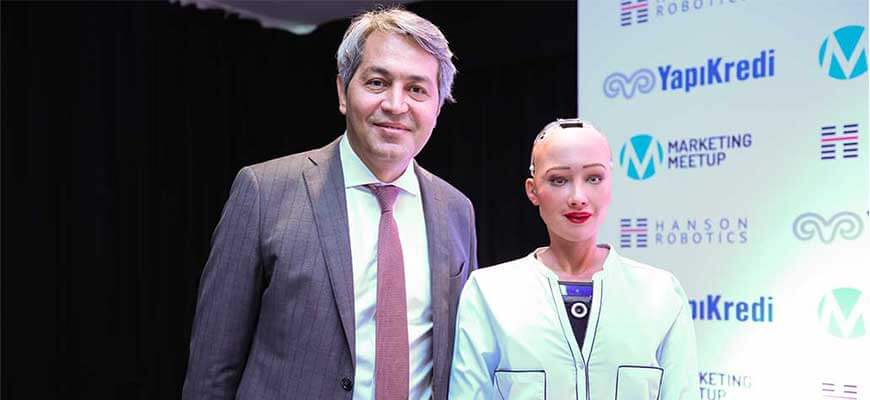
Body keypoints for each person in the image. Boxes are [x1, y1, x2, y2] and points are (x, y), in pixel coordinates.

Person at [182, 8, 477, 400]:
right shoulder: (264, 192)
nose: (396, 104)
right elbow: (212, 371)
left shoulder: (456, 210)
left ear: (438, 107)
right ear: (342, 91)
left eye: (417, 89)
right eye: (377, 82)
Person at [448, 119, 697, 399]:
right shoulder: (490, 292)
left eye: (594, 178)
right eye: (559, 180)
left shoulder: (660, 293)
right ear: (532, 190)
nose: (578, 197)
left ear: (610, 184)